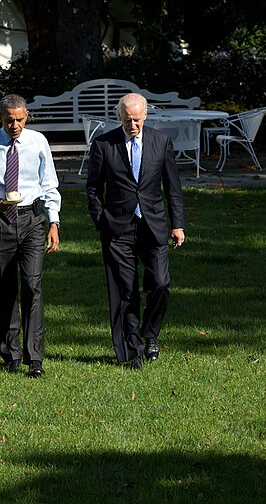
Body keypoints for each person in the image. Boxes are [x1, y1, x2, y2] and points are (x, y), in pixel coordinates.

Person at [85, 93, 185, 370]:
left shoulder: (160, 141)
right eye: (128, 119)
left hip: (153, 225)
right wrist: (101, 220)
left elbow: (173, 187)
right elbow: (93, 189)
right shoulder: (104, 145)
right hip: (118, 227)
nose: (133, 125)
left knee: (161, 284)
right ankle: (132, 350)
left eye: (137, 119)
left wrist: (178, 224)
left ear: (146, 116)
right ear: (120, 117)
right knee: (125, 291)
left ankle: (149, 334)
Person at [0, 94, 61, 378]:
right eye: (10, 120)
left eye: (20, 119)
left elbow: (49, 184)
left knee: (32, 285)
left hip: (32, 219)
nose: (15, 125)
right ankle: (10, 354)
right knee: (3, 288)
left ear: (27, 116)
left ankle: (35, 358)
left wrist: (53, 221)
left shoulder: (38, 143)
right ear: (0, 118)